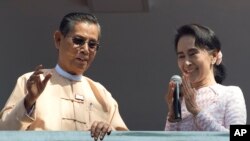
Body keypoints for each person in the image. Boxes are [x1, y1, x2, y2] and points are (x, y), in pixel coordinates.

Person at [0, 12, 128, 140]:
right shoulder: (31, 81)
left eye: (92, 44)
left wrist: (110, 133)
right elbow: (4, 132)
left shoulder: (102, 95)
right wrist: (28, 102)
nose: (85, 49)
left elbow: (127, 137)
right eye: (78, 41)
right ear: (58, 39)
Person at [165, 24, 246, 131]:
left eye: (193, 53)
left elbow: (238, 135)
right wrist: (172, 117)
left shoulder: (230, 93)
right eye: (181, 56)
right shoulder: (179, 100)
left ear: (213, 56)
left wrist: (197, 112)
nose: (186, 62)